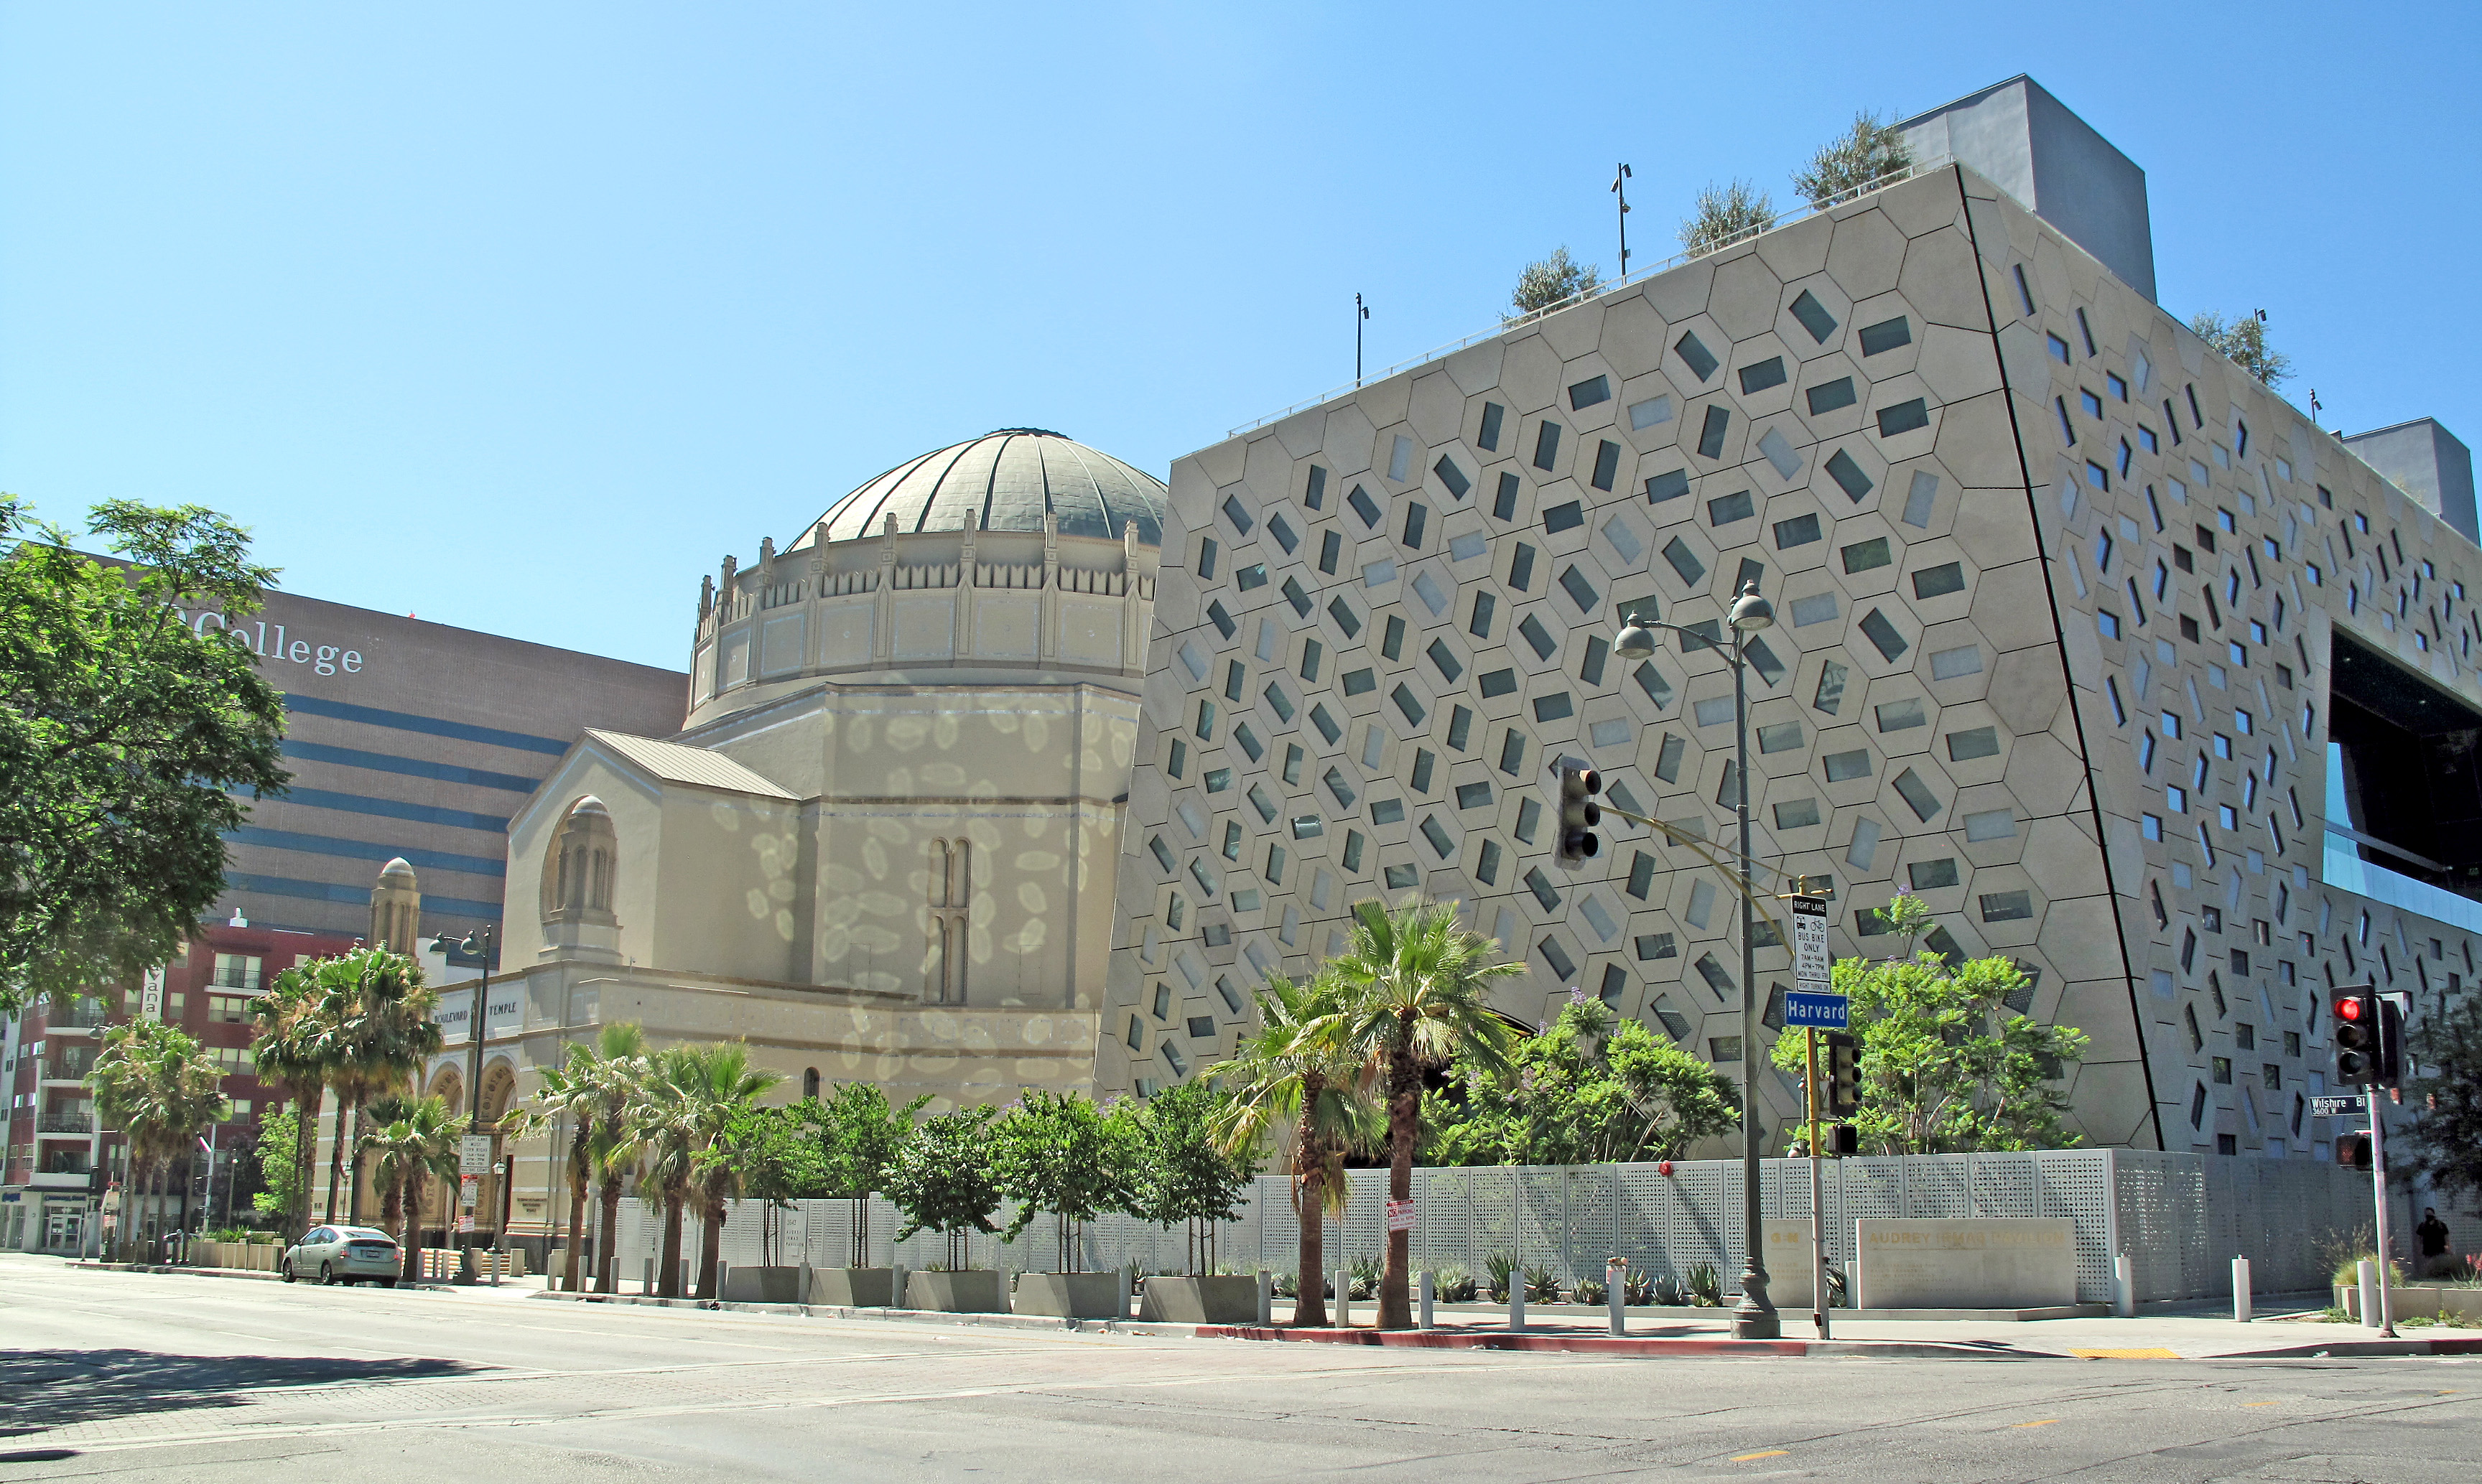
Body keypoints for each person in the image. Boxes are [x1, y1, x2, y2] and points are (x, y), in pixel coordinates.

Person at [2414, 1207, 2455, 1279]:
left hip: (2440, 1251)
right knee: (2429, 1269)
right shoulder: (2422, 1226)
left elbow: (2447, 1238)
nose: (2428, 1215)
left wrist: (2448, 1248)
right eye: (2427, 1214)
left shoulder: (2441, 1225)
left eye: (2430, 1214)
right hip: (2428, 1252)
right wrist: (2419, 1250)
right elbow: (2418, 1239)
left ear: (2433, 1214)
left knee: (2440, 1269)